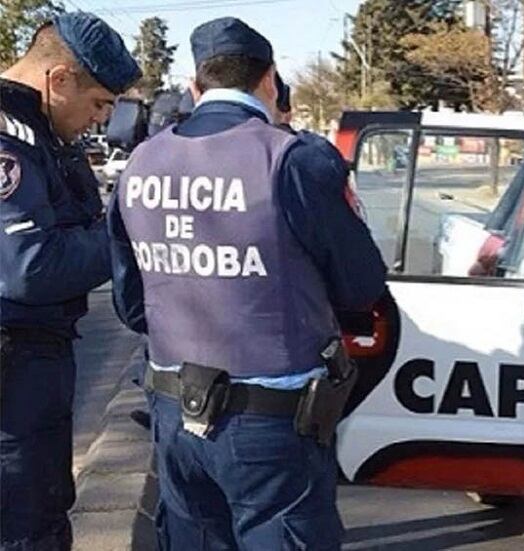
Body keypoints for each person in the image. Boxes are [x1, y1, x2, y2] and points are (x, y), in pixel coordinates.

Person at [106, 17, 386, 550]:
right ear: (271, 80)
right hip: (272, 424)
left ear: (195, 87)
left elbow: (131, 302)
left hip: (174, 410)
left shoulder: (141, 162)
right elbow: (360, 284)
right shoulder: (294, 159)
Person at [0, 13, 141, 550]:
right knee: (24, 526)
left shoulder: (39, 132)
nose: (101, 119)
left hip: (35, 365)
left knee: (45, 512)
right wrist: (132, 234)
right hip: (14, 374)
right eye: (99, 103)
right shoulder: (10, 142)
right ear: (58, 79)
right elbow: (31, 268)